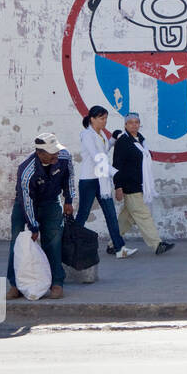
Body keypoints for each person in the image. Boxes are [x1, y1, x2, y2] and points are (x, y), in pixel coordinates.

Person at [6, 133, 75, 300]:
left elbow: (69, 177)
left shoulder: (64, 156)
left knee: (53, 241)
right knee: (18, 241)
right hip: (26, 205)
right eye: (52, 153)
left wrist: (69, 199)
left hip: (51, 202)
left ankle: (57, 282)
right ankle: (15, 285)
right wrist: (33, 226)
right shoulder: (27, 170)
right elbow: (26, 201)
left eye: (56, 151)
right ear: (40, 153)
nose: (56, 155)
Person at [77, 106, 137, 259]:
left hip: (102, 180)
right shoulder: (87, 135)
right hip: (89, 180)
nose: (104, 122)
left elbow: (103, 152)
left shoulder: (101, 133)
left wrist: (112, 140)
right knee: (83, 215)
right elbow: (97, 158)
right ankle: (70, 244)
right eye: (101, 118)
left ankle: (120, 248)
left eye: (106, 118)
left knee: (111, 215)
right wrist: (116, 173)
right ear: (92, 119)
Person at [112, 113, 174, 255]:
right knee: (143, 214)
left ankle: (112, 243)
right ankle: (157, 244)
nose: (134, 125)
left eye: (136, 122)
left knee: (126, 218)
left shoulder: (140, 140)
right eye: (131, 122)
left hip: (140, 184)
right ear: (125, 125)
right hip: (130, 185)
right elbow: (116, 164)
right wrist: (118, 186)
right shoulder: (123, 141)